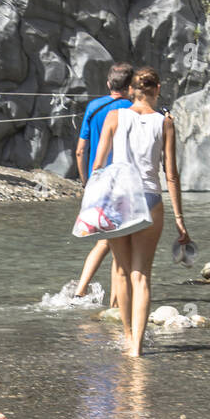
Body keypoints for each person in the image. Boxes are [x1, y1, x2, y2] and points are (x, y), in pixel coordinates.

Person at [90, 66, 190, 358]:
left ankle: (128, 335)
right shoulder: (165, 123)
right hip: (149, 197)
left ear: (132, 89)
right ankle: (137, 347)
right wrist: (181, 221)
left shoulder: (114, 116)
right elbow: (171, 175)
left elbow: (98, 165)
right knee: (141, 275)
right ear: (157, 89)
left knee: (121, 271)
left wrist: (93, 205)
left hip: (118, 197)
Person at [73, 62, 134, 301]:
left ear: (109, 84)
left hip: (98, 182)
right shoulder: (132, 109)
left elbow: (80, 150)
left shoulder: (94, 107)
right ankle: (111, 303)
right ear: (130, 86)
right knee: (115, 241)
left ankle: (84, 292)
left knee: (108, 240)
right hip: (123, 183)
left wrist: (85, 181)